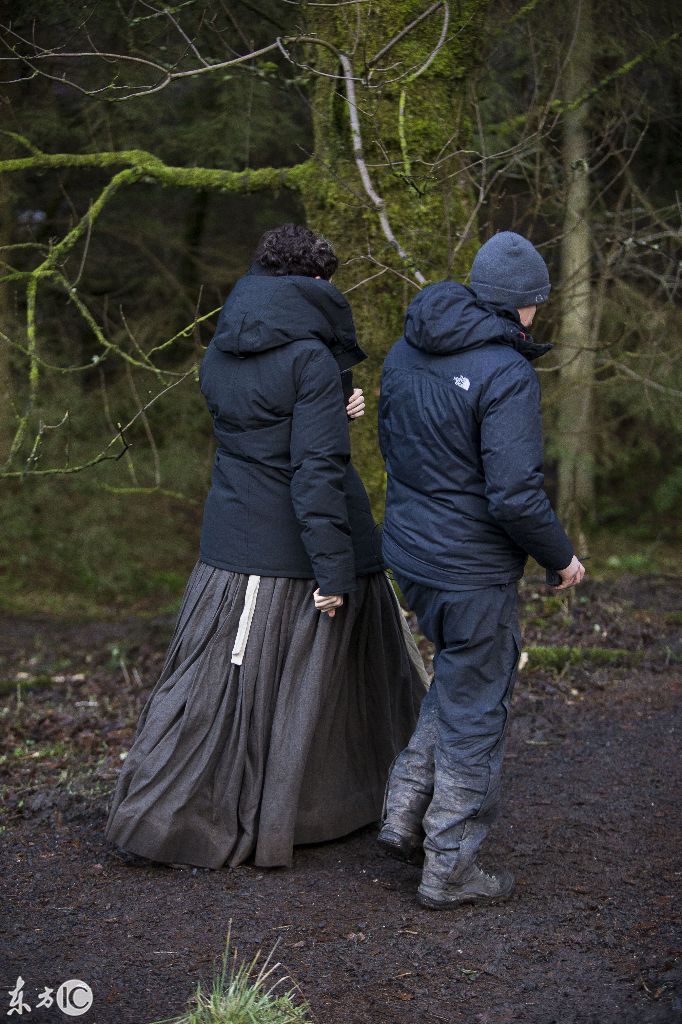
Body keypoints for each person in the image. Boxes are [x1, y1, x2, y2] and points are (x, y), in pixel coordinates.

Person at [105, 224, 427, 871]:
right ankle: (200, 821)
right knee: (313, 691)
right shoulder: (311, 357)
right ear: (312, 283)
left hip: (231, 548)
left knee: (211, 692)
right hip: (292, 555)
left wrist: (335, 406)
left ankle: (187, 809)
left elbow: (259, 424)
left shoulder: (222, 349)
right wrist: (333, 573)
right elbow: (315, 472)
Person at [376, 231, 586, 909]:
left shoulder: (406, 349)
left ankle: (405, 811)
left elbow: (391, 446)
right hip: (469, 568)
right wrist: (561, 557)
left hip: (412, 555)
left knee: (461, 675)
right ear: (525, 305)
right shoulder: (506, 372)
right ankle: (451, 868)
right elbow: (515, 495)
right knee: (478, 707)